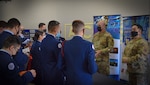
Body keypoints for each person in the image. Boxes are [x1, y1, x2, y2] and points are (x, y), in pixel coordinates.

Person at [61, 20, 97, 85]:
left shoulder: (65, 44)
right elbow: (92, 69)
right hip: (84, 80)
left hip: (69, 79)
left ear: (72, 30)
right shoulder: (89, 45)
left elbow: (61, 64)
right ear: (83, 30)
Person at [40, 20, 63, 85]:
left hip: (45, 71)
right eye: (59, 28)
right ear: (55, 29)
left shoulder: (43, 40)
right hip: (54, 73)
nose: (59, 30)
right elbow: (59, 59)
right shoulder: (56, 43)